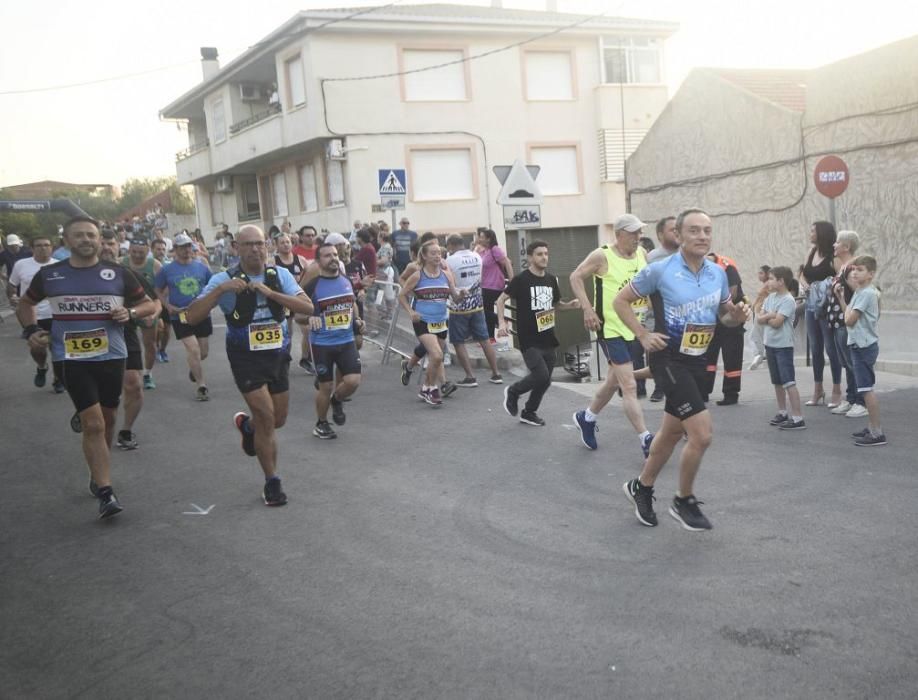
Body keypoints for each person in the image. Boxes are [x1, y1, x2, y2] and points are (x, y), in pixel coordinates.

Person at [613, 209, 750, 532]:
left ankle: (641, 487)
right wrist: (642, 334)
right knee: (701, 435)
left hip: (698, 361)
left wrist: (737, 316)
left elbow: (724, 317)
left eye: (707, 231)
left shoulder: (717, 273)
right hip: (668, 359)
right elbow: (620, 302)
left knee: (673, 432)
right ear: (679, 234)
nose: (702, 236)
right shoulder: (659, 271)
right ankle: (683, 500)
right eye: (694, 231)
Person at [16, 216, 157, 519]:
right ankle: (106, 492)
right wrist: (31, 332)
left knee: (106, 421)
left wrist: (129, 312)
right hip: (71, 357)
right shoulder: (51, 275)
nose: (86, 240)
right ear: (65, 241)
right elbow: (25, 304)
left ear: (99, 239)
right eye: (78, 236)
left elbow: (149, 305)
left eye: (91, 235)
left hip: (111, 356)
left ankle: (98, 472)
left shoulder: (118, 273)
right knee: (92, 423)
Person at [186, 225, 314, 504]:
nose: (255, 249)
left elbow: (308, 307)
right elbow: (192, 317)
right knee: (267, 417)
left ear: (266, 246)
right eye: (248, 244)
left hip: (277, 354)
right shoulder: (223, 278)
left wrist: (271, 294)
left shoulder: (278, 275)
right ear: (236, 248)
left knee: (277, 419)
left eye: (259, 243)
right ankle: (272, 482)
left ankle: (248, 428)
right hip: (245, 356)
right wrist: (220, 290)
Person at [570, 214, 654, 457]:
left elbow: (649, 286)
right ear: (619, 234)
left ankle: (587, 417)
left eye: (640, 232)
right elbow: (575, 277)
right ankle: (646, 438)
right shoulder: (602, 255)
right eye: (634, 233)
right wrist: (587, 309)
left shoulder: (641, 255)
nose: (639, 237)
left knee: (614, 380)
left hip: (634, 328)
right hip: (611, 329)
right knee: (629, 385)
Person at [497, 240, 579, 426]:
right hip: (529, 339)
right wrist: (502, 322)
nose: (544, 257)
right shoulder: (521, 279)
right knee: (540, 375)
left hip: (548, 337)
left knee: (545, 381)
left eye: (546, 254)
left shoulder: (551, 280)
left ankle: (529, 412)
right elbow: (501, 300)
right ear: (530, 257)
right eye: (540, 254)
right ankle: (513, 392)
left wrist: (570, 305)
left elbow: (557, 305)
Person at [100, 230, 161, 450]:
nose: (107, 247)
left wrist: (135, 313)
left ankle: (125, 431)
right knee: (97, 389)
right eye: (103, 243)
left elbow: (154, 302)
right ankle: (92, 417)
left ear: (119, 246)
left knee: (134, 386)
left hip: (123, 332)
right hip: (87, 335)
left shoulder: (125, 273)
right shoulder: (73, 273)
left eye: (111, 243)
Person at [303, 242, 364, 438]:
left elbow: (352, 302)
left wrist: (357, 320)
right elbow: (296, 313)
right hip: (322, 344)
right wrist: (308, 317)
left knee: (353, 381)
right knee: (325, 386)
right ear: (318, 261)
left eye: (335, 254)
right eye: (327, 255)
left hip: (346, 340)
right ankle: (321, 423)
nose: (334, 258)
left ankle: (337, 400)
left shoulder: (346, 280)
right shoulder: (312, 286)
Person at [398, 239, 466, 406]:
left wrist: (461, 295)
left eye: (439, 253)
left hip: (441, 321)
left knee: (436, 359)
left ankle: (425, 389)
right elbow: (402, 295)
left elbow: (455, 299)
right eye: (433, 253)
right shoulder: (417, 276)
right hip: (423, 320)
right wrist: (411, 312)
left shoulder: (447, 275)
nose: (438, 256)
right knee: (437, 355)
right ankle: (431, 388)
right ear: (425, 256)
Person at [154, 232, 213, 401]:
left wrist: (209, 303)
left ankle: (194, 369)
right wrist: (168, 306)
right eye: (182, 247)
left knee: (203, 352)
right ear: (175, 249)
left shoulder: (201, 266)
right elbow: (157, 289)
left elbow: (213, 286)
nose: (187, 250)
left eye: (189, 246)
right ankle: (201, 386)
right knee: (193, 349)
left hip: (202, 313)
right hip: (180, 314)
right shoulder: (167, 270)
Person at [835, 255, 885, 446]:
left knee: (866, 390)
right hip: (858, 344)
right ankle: (872, 427)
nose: (855, 272)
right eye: (854, 269)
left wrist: (847, 312)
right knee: (864, 389)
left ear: (871, 274)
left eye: (860, 269)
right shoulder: (860, 291)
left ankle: (877, 433)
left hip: (864, 347)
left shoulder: (866, 294)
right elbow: (847, 311)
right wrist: (841, 298)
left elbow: (848, 319)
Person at [7, 235, 65, 392]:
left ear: (52, 248)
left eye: (46, 245)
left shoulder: (60, 265)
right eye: (39, 245)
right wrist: (13, 299)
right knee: (37, 349)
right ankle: (41, 366)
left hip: (56, 314)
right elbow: (12, 285)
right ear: (31, 249)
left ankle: (58, 378)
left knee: (58, 348)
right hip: (32, 315)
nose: (43, 248)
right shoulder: (21, 265)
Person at [445, 235, 502, 387]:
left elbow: (450, 281)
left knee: (458, 341)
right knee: (484, 339)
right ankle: (496, 373)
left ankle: (470, 377)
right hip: (477, 304)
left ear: (450, 245)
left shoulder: (450, 261)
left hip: (459, 306)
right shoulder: (477, 256)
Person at [825, 231, 868, 418]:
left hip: (846, 321)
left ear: (846, 247)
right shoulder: (842, 267)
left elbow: (858, 290)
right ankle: (851, 398)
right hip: (838, 321)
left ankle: (860, 401)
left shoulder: (851, 268)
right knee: (846, 363)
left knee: (852, 363)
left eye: (837, 242)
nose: (834, 245)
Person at [757, 266, 805, 430]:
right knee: (777, 382)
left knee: (788, 382)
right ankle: (782, 412)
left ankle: (798, 417)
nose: (768, 282)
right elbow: (759, 318)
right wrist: (771, 315)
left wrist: (769, 316)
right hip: (769, 345)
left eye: (771, 279)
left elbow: (777, 323)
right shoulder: (770, 298)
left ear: (781, 281)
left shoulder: (788, 300)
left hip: (783, 346)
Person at [799, 221, 842, 407]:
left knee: (831, 349)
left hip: (827, 307)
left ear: (822, 233)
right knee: (816, 348)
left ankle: (837, 390)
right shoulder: (811, 251)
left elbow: (840, 277)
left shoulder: (833, 255)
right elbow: (802, 272)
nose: (810, 233)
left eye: (813, 230)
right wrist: (806, 285)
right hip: (810, 304)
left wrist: (825, 287)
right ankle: (818, 390)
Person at [703, 251, 746, 405]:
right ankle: (703, 391)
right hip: (711, 317)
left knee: (731, 356)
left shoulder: (727, 268)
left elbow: (732, 294)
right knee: (707, 356)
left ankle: (731, 393)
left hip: (731, 317)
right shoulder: (699, 268)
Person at [122, 235, 162, 390]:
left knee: (149, 344)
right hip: (126, 307)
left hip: (148, 306)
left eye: (141, 252)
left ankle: (147, 373)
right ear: (129, 250)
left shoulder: (155, 265)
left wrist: (156, 313)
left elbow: (160, 294)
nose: (138, 256)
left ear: (148, 251)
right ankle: (127, 372)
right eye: (134, 252)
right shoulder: (121, 263)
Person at [477, 228, 513, 344]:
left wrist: (512, 281)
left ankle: (502, 321)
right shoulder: (485, 251)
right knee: (486, 311)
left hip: (495, 285)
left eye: (481, 236)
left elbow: (507, 263)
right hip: (485, 286)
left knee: (485, 311)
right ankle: (491, 338)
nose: (479, 238)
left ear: (488, 238)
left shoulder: (495, 249)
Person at [748, 265, 771, 371]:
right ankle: (761, 356)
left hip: (761, 314)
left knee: (753, 336)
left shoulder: (768, 285)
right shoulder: (766, 285)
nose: (759, 275)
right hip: (759, 313)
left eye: (761, 273)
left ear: (767, 274)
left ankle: (759, 356)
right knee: (759, 336)